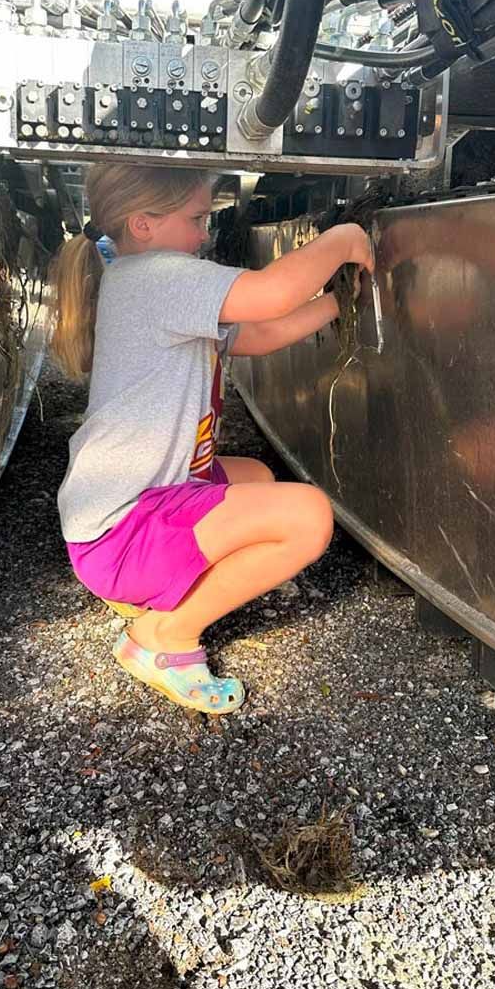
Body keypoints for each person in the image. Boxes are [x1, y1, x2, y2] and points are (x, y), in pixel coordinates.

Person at [50, 163, 373, 714]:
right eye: (197, 219)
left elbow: (262, 334)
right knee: (308, 517)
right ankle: (162, 637)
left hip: (115, 515)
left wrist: (340, 302)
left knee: (258, 480)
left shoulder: (142, 282)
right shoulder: (158, 275)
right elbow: (270, 296)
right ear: (144, 224)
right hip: (121, 534)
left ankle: (155, 591)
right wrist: (340, 241)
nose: (205, 234)